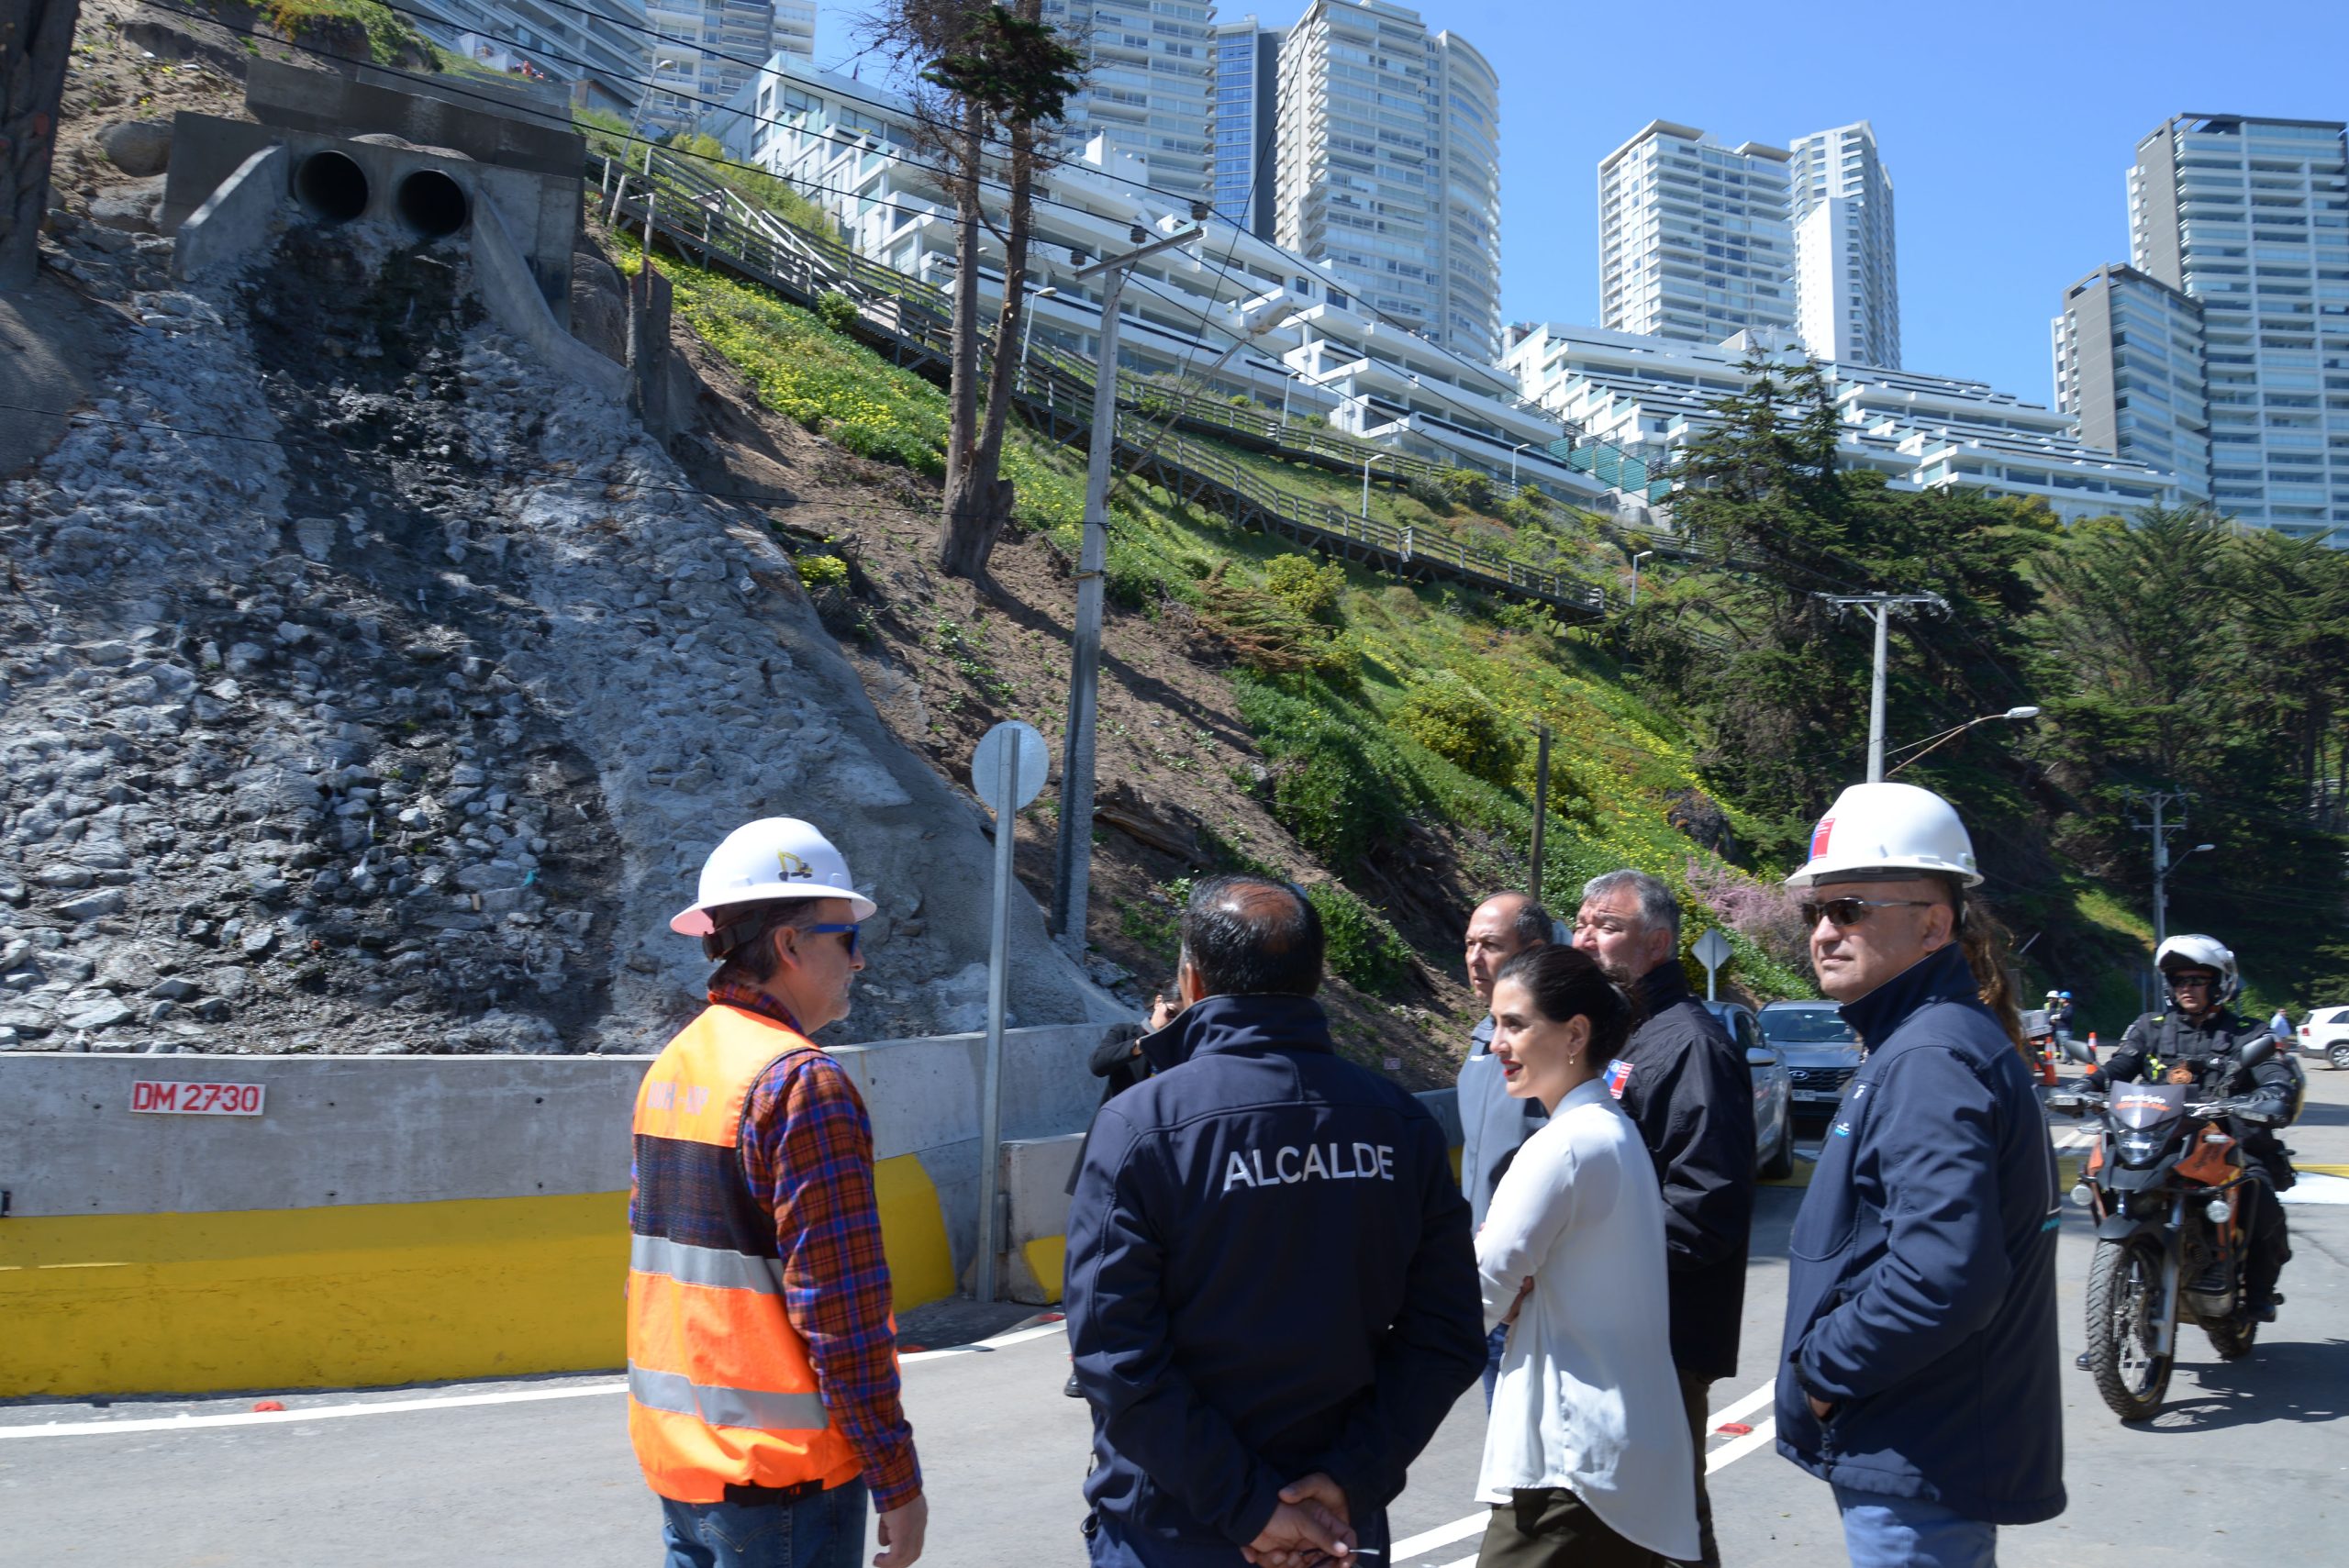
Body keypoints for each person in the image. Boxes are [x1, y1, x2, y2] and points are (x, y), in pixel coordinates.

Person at [1065, 875, 1486, 1567]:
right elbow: (1446, 1335)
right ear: (1315, 980)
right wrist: (1350, 1478)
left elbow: (1115, 1356)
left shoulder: (1143, 1126)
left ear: (1192, 981)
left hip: (1176, 1525)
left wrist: (1252, 1506)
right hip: (1338, 1525)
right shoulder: (1399, 1122)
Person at [1775, 782, 2065, 1565]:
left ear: (1934, 923)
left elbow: (1946, 1272)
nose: (1825, 931)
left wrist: (1824, 1366)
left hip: (1916, 1461)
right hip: (1916, 1453)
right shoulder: (1928, 1041)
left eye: (1851, 909)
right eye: (1816, 912)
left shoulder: (1930, 1056)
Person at [628, 817, 927, 1568]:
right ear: (791, 944)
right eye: (847, 938)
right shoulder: (801, 1083)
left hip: (689, 1466)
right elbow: (841, 1311)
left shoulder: (676, 1064)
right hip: (788, 1484)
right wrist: (898, 1478)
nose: (859, 961)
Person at [1475, 944, 1698, 1568]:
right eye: (1495, 1022)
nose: (1496, 1042)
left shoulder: (1564, 1146)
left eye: (1515, 1023)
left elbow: (1480, 1286)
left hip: (1569, 1468)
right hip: (1612, 1460)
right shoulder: (1611, 1130)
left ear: (1575, 1033)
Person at [1569, 870, 1753, 1568]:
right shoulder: (1627, 1035)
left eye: (1605, 926)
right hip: (1620, 1331)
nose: (1585, 939)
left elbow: (1707, 1207)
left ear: (1659, 943)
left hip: (1662, 1339)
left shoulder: (1689, 1045)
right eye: (1581, 923)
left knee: (1668, 1522)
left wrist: (1591, 1258)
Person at [2083, 934, 2296, 1327]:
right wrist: (2089, 1085)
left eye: (2197, 980)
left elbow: (2271, 1070)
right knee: (2102, 1174)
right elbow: (2120, 1067)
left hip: (2227, 1137)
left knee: (2260, 1197)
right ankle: (2108, 1323)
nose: (2187, 988)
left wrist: (2273, 1091)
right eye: (2180, 981)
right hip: (2162, 1136)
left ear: (2220, 984)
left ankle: (2259, 1292)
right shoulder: (2151, 1027)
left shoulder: (2248, 1030)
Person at [1458, 892, 1554, 1404]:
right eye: (1469, 943)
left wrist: (1527, 1277)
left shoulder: (1552, 1045)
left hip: (1529, 1295)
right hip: (1483, 1285)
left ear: (1532, 951)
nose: (1474, 957)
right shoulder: (1481, 1039)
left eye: (1491, 945)